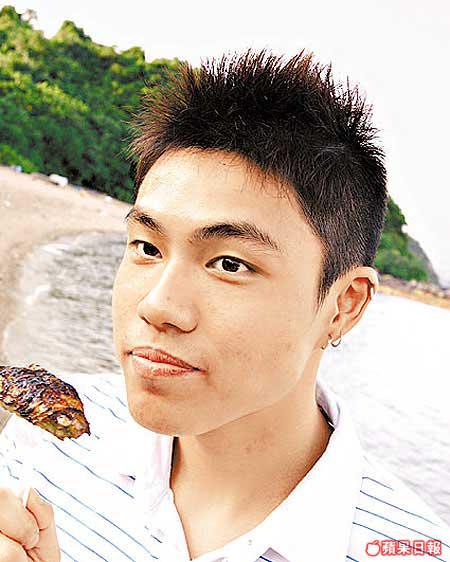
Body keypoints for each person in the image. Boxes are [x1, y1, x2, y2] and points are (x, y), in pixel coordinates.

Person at [0, 47, 449, 562]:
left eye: (229, 264)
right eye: (147, 247)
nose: (158, 306)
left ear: (344, 305)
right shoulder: (52, 434)